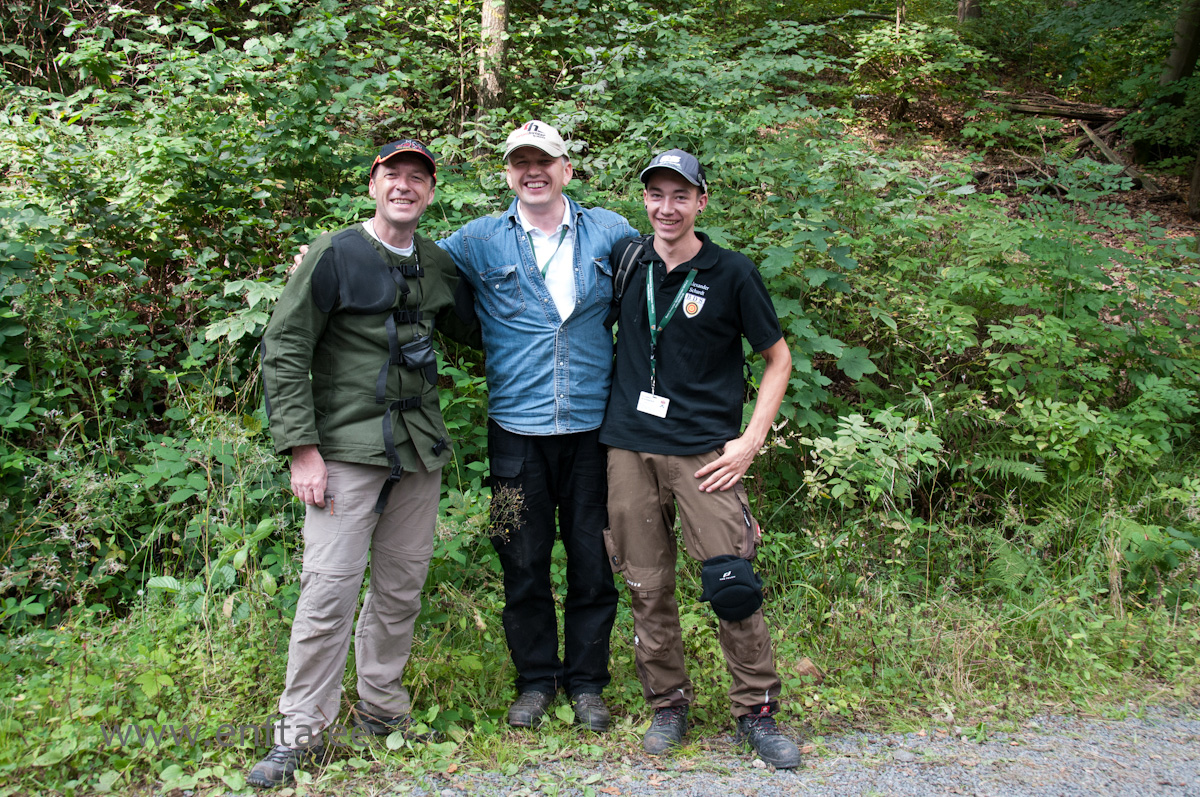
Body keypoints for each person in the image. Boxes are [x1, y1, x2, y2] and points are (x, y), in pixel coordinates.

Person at [249, 139, 473, 788]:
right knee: (327, 592)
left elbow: (478, 329)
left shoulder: (437, 262)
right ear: (373, 184)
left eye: (417, 178)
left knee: (400, 589)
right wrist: (302, 448)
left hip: (418, 451)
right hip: (343, 453)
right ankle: (298, 733)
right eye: (392, 175)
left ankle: (382, 709)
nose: (405, 186)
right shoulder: (333, 252)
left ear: (431, 192)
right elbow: (285, 348)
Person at [599, 149, 801, 768]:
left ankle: (757, 711)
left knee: (732, 584)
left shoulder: (731, 272)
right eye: (656, 195)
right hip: (628, 449)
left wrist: (750, 441)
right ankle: (668, 704)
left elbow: (779, 359)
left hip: (705, 455)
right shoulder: (627, 261)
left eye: (680, 196)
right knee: (646, 584)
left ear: (701, 201)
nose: (667, 208)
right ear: (646, 201)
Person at [439, 121, 638, 732]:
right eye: (520, 161)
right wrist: (317, 258)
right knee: (517, 558)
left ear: (566, 169)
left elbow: (660, 283)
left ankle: (586, 684)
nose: (533, 170)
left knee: (592, 561)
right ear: (507, 173)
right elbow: (404, 263)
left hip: (591, 435)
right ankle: (533, 681)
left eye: (544, 160)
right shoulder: (476, 240)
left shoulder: (611, 231)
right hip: (513, 436)